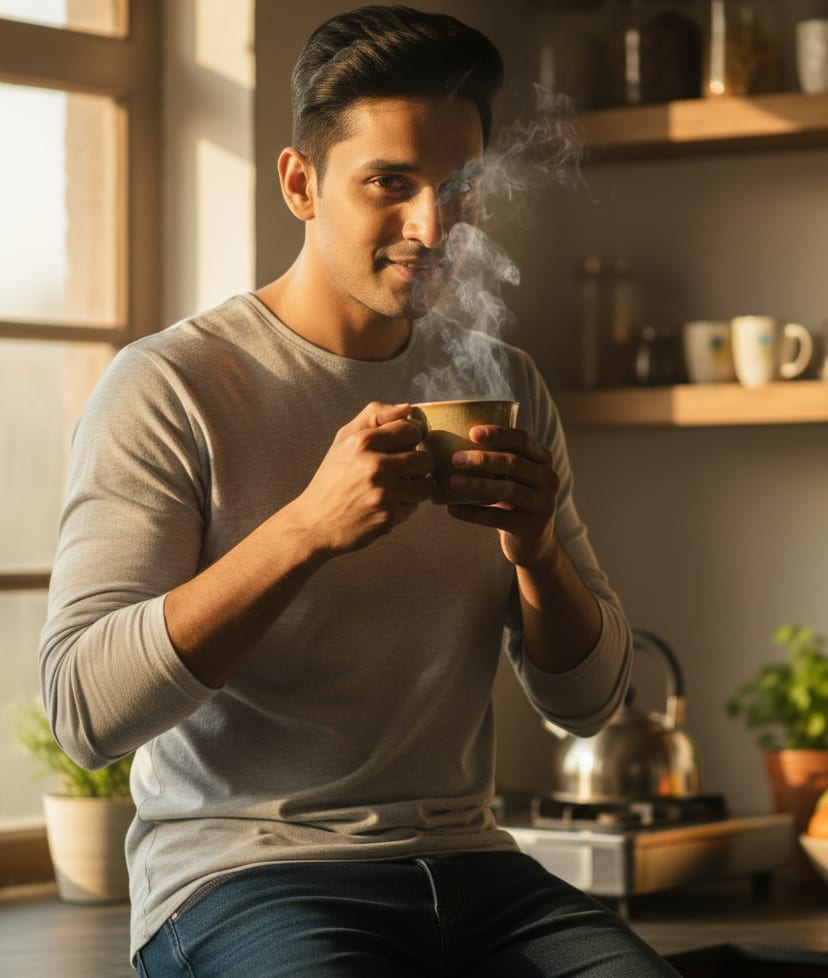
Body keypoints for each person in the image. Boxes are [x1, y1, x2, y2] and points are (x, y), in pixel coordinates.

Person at [40, 6, 678, 976]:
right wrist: (305, 529)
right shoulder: (170, 386)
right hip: (244, 878)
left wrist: (540, 551)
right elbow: (83, 711)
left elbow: (589, 707)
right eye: (391, 183)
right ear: (301, 183)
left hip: (477, 869)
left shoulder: (503, 384)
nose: (433, 226)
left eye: (458, 186)